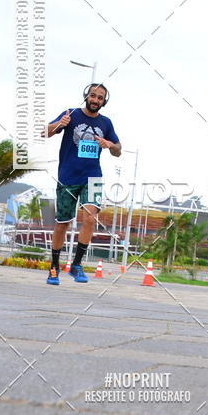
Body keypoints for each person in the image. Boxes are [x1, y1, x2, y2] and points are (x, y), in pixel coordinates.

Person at [44, 83, 121, 285]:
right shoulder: (71, 114)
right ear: (86, 96)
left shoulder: (106, 123)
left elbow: (118, 149)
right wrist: (59, 123)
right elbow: (44, 133)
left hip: (93, 177)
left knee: (90, 218)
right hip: (67, 177)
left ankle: (76, 265)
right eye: (93, 96)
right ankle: (54, 267)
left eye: (100, 98)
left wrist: (110, 144)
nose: (96, 100)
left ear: (104, 101)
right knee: (62, 223)